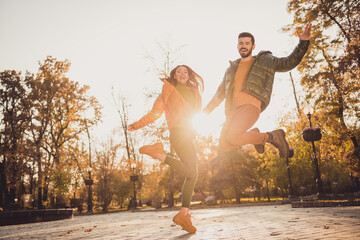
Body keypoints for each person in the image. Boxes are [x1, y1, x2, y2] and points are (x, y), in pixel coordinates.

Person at [203, 24, 311, 158]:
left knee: (232, 137)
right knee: (224, 144)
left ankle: (273, 136)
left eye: (247, 43)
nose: (244, 46)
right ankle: (255, 135)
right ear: (237, 46)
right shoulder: (230, 69)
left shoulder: (265, 61)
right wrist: (204, 113)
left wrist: (303, 43)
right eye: (241, 43)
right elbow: (219, 94)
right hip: (234, 112)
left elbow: (288, 62)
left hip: (251, 107)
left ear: (253, 46)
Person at [128, 65, 204, 234]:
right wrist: (137, 124)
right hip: (178, 133)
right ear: (174, 76)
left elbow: (195, 112)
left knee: (192, 174)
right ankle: (157, 153)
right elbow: (155, 112)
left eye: (185, 71)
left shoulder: (193, 91)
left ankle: (184, 214)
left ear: (189, 75)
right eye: (179, 72)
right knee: (192, 174)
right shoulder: (168, 90)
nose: (182, 74)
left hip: (187, 133)